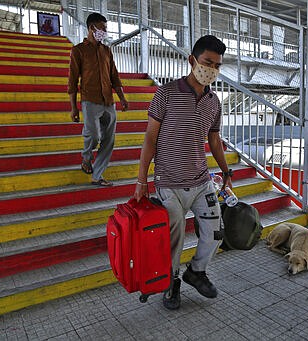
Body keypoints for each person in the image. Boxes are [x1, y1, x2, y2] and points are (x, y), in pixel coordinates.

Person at [134, 35, 232, 310]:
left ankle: (196, 271)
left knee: (214, 232)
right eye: (207, 62)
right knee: (173, 241)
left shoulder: (214, 102)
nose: (211, 70)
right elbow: (150, 139)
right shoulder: (165, 93)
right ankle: (171, 282)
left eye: (217, 66)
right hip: (169, 182)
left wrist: (226, 172)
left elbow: (214, 141)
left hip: (202, 181)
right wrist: (141, 179)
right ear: (192, 61)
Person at [68, 12, 129, 187]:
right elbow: (72, 81)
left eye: (105, 29)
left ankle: (98, 175)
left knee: (109, 140)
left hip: (108, 102)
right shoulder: (78, 50)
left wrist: (122, 98)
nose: (104, 32)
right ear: (91, 28)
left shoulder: (106, 51)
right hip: (90, 100)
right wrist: (73, 108)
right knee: (93, 136)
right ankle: (86, 158)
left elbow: (114, 77)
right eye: (102, 29)